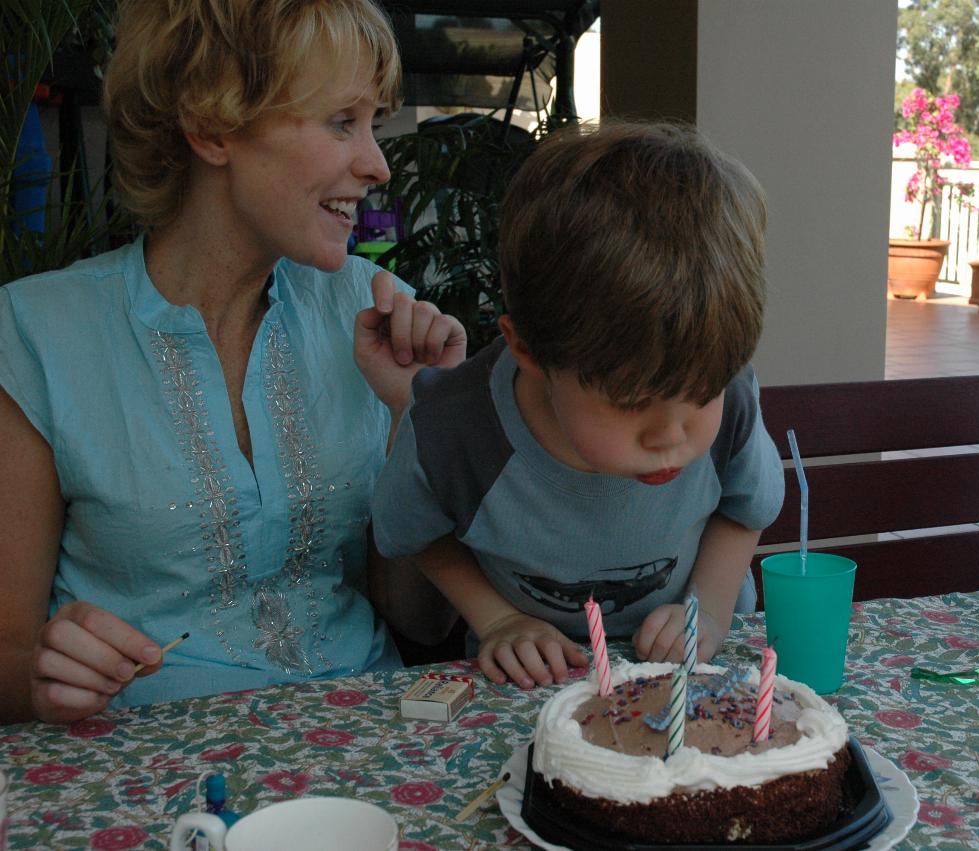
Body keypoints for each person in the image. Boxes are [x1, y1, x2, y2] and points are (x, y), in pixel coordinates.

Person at [0, 0, 467, 723]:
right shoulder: (37, 336)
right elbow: (8, 653)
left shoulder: (376, 314)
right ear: (212, 126)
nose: (377, 164)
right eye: (341, 121)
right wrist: (40, 679)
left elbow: (421, 621)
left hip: (368, 743)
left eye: (372, 123)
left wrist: (417, 419)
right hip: (147, 764)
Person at [372, 122, 785, 689]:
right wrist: (499, 619)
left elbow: (747, 508)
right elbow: (413, 531)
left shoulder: (730, 395)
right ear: (529, 351)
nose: (672, 436)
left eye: (701, 395)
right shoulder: (453, 431)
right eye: (633, 403)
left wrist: (708, 610)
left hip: (698, 672)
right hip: (533, 685)